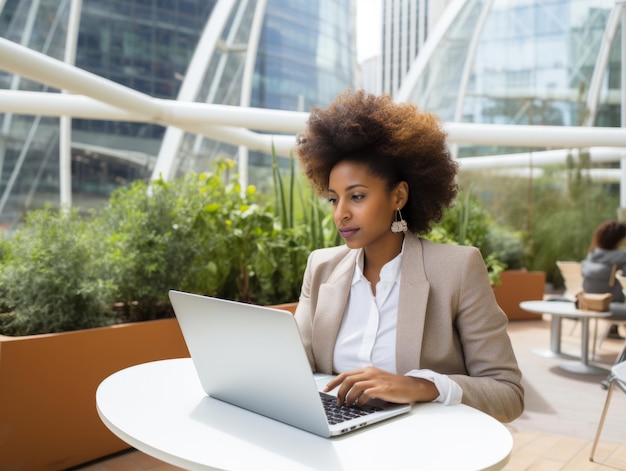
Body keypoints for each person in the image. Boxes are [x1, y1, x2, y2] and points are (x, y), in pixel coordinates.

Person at [293, 89, 524, 423]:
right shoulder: (322, 267)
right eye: (333, 199)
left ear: (398, 195)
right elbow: (295, 364)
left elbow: (508, 395)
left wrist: (421, 386)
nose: (340, 214)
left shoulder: (457, 270)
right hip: (333, 436)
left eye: (356, 196)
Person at [581, 220, 626, 338]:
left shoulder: (591, 257)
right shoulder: (622, 260)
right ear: (620, 239)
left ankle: (613, 329)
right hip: (611, 306)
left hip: (588, 302)